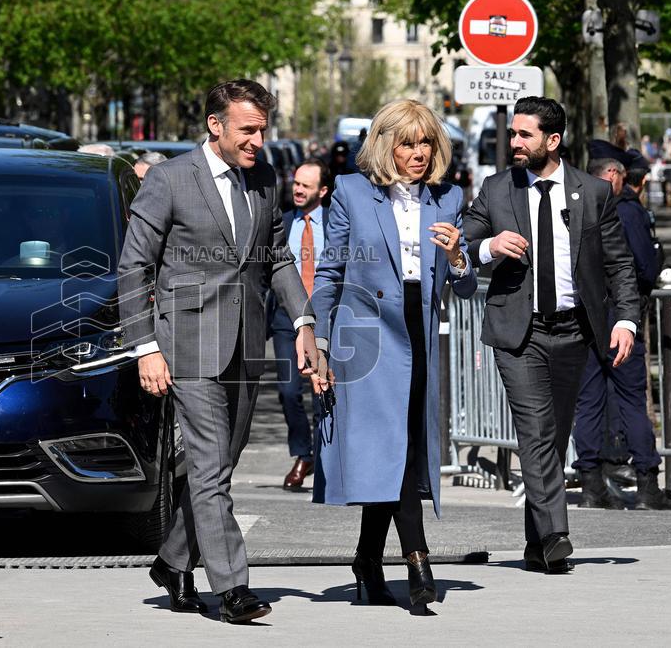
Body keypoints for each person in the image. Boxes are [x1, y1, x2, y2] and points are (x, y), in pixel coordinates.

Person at [117, 79, 322, 623]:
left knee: (220, 466)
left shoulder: (263, 178)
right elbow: (134, 266)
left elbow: (276, 257)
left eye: (263, 128)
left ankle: (173, 560)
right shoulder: (169, 180)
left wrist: (303, 319)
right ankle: (232, 587)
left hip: (245, 343)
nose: (258, 139)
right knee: (208, 466)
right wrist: (145, 347)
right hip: (186, 344)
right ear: (216, 125)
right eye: (248, 129)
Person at [310, 99, 477, 609]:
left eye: (426, 141)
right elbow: (330, 272)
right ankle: (418, 558)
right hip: (366, 337)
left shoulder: (448, 199)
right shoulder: (352, 192)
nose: (419, 152)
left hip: (419, 329)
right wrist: (318, 342)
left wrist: (457, 258)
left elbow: (465, 287)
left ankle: (366, 562)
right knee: (392, 449)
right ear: (385, 145)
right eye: (407, 142)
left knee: (403, 447)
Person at [462, 97, 640, 574]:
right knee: (536, 431)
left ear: (552, 140)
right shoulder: (497, 189)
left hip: (574, 332)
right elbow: (465, 238)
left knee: (555, 437)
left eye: (524, 135)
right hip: (520, 333)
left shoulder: (592, 192)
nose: (514, 143)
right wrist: (488, 246)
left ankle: (536, 544)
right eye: (513, 134)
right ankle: (558, 535)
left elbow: (618, 264)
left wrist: (625, 320)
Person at [574, 152, 671, 511]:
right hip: (618, 315)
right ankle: (647, 482)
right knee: (632, 401)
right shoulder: (623, 210)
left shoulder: (576, 204)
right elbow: (642, 268)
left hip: (585, 314)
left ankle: (591, 484)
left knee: (587, 402)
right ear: (614, 175)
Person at [267, 158, 330, 489]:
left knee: (323, 391)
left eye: (306, 185)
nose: (298, 189)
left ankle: (323, 460)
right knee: (289, 391)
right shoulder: (283, 221)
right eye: (296, 183)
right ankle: (302, 453)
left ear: (322, 190)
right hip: (285, 319)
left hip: (323, 320)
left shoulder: (335, 224)